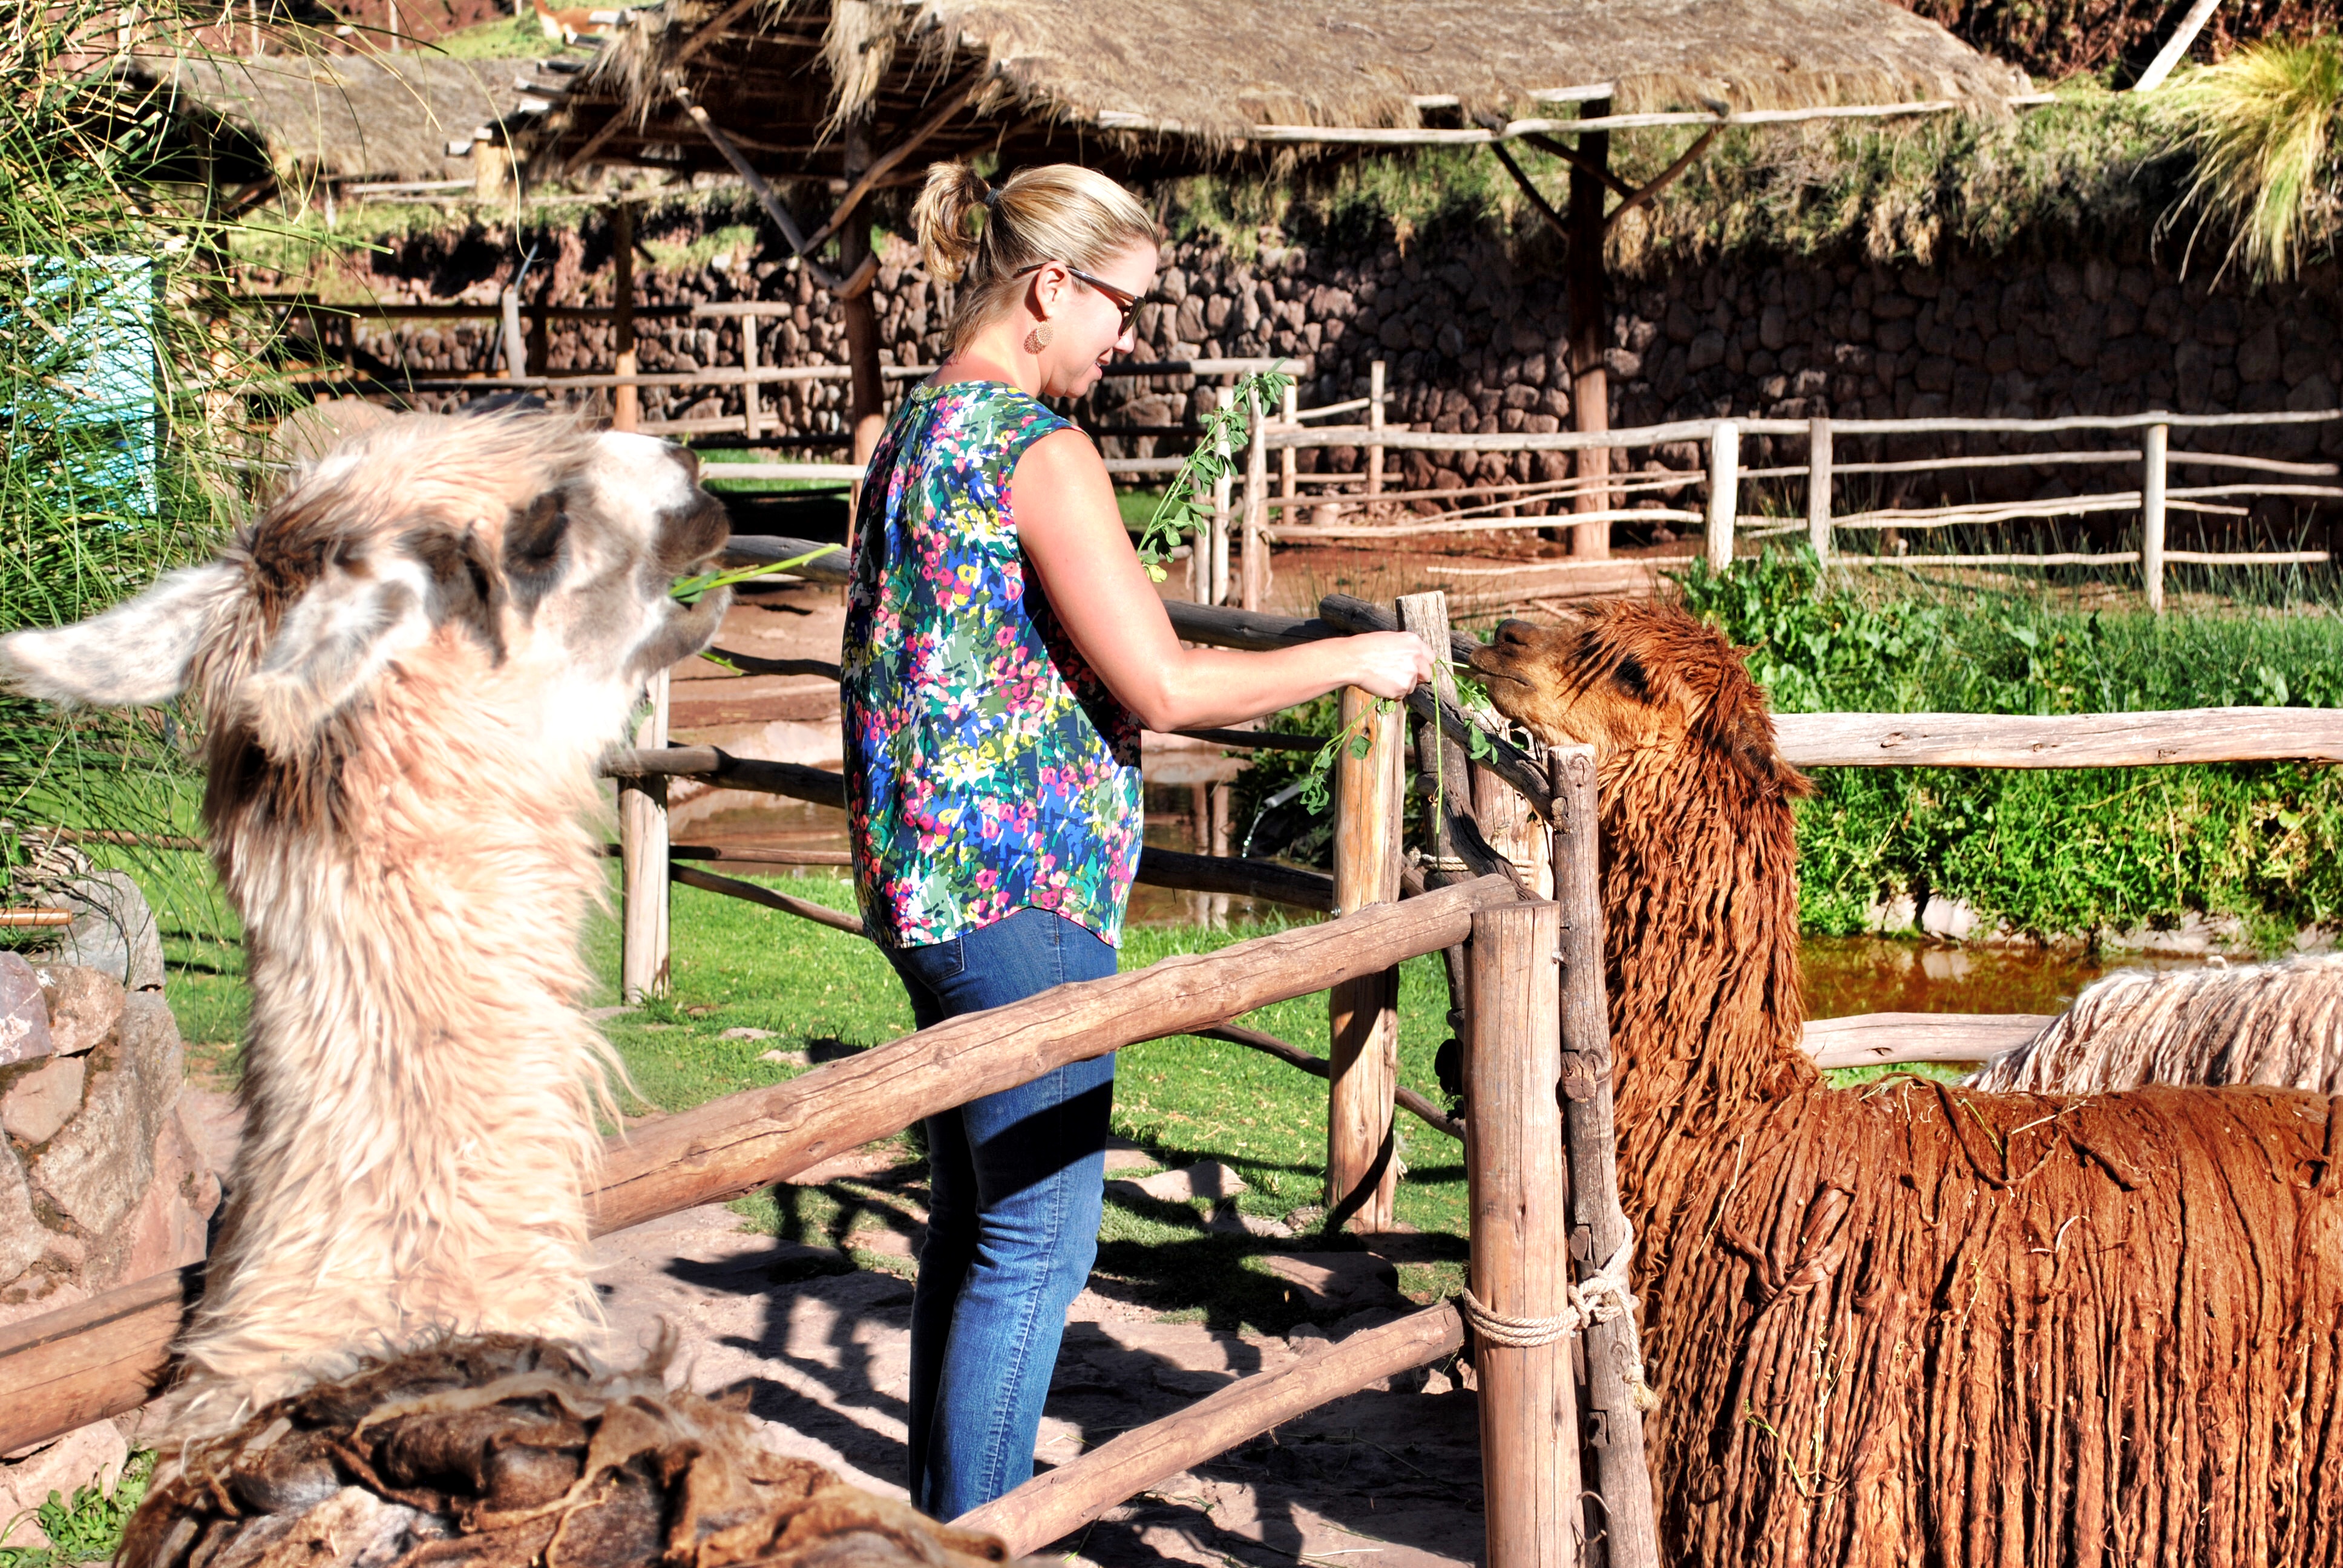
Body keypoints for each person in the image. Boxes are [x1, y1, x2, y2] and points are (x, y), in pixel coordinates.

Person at [839, 160, 1432, 1520]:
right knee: (1042, 1238)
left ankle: (945, 1524)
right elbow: (1165, 681)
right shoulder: (1035, 452)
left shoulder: (914, 432)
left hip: (925, 885)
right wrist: (1355, 659)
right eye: (1119, 305)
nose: (1125, 338)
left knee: (976, 1222)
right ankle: (987, 1537)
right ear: (1050, 287)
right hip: (1021, 896)